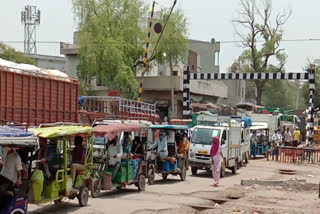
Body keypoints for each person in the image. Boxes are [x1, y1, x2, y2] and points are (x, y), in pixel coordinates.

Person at [0, 147, 23, 213]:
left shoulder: (16, 157)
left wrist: (19, 180)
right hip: (2, 177)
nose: (4, 147)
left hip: (9, 181)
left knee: (0, 189)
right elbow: (1, 164)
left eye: (5, 146)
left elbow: (19, 172)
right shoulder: (4, 153)